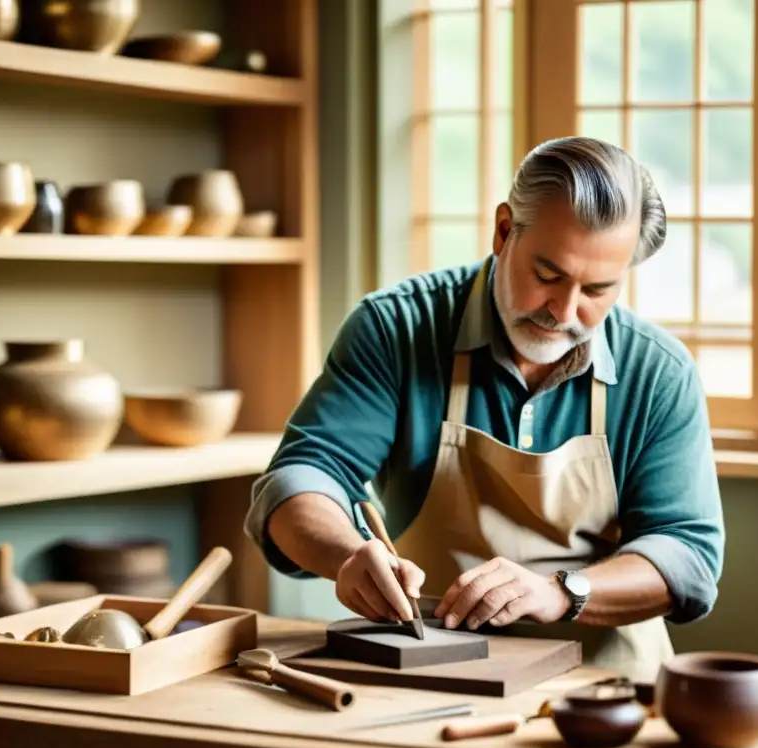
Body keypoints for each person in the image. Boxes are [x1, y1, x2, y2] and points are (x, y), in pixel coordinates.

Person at [244, 136, 725, 683]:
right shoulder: (397, 329)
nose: (564, 311)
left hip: (602, 684)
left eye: (597, 289)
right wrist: (347, 555)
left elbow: (688, 557)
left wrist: (562, 591)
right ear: (503, 231)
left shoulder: (659, 372)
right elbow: (299, 479)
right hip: (431, 664)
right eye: (547, 275)